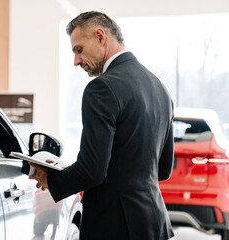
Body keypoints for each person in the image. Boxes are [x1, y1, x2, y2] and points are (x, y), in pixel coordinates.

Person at [29, 11, 175, 240]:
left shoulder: (102, 88)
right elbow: (164, 169)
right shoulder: (160, 88)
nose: (76, 61)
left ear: (100, 37)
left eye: (79, 49)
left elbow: (92, 171)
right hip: (154, 224)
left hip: (114, 227)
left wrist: (52, 179)